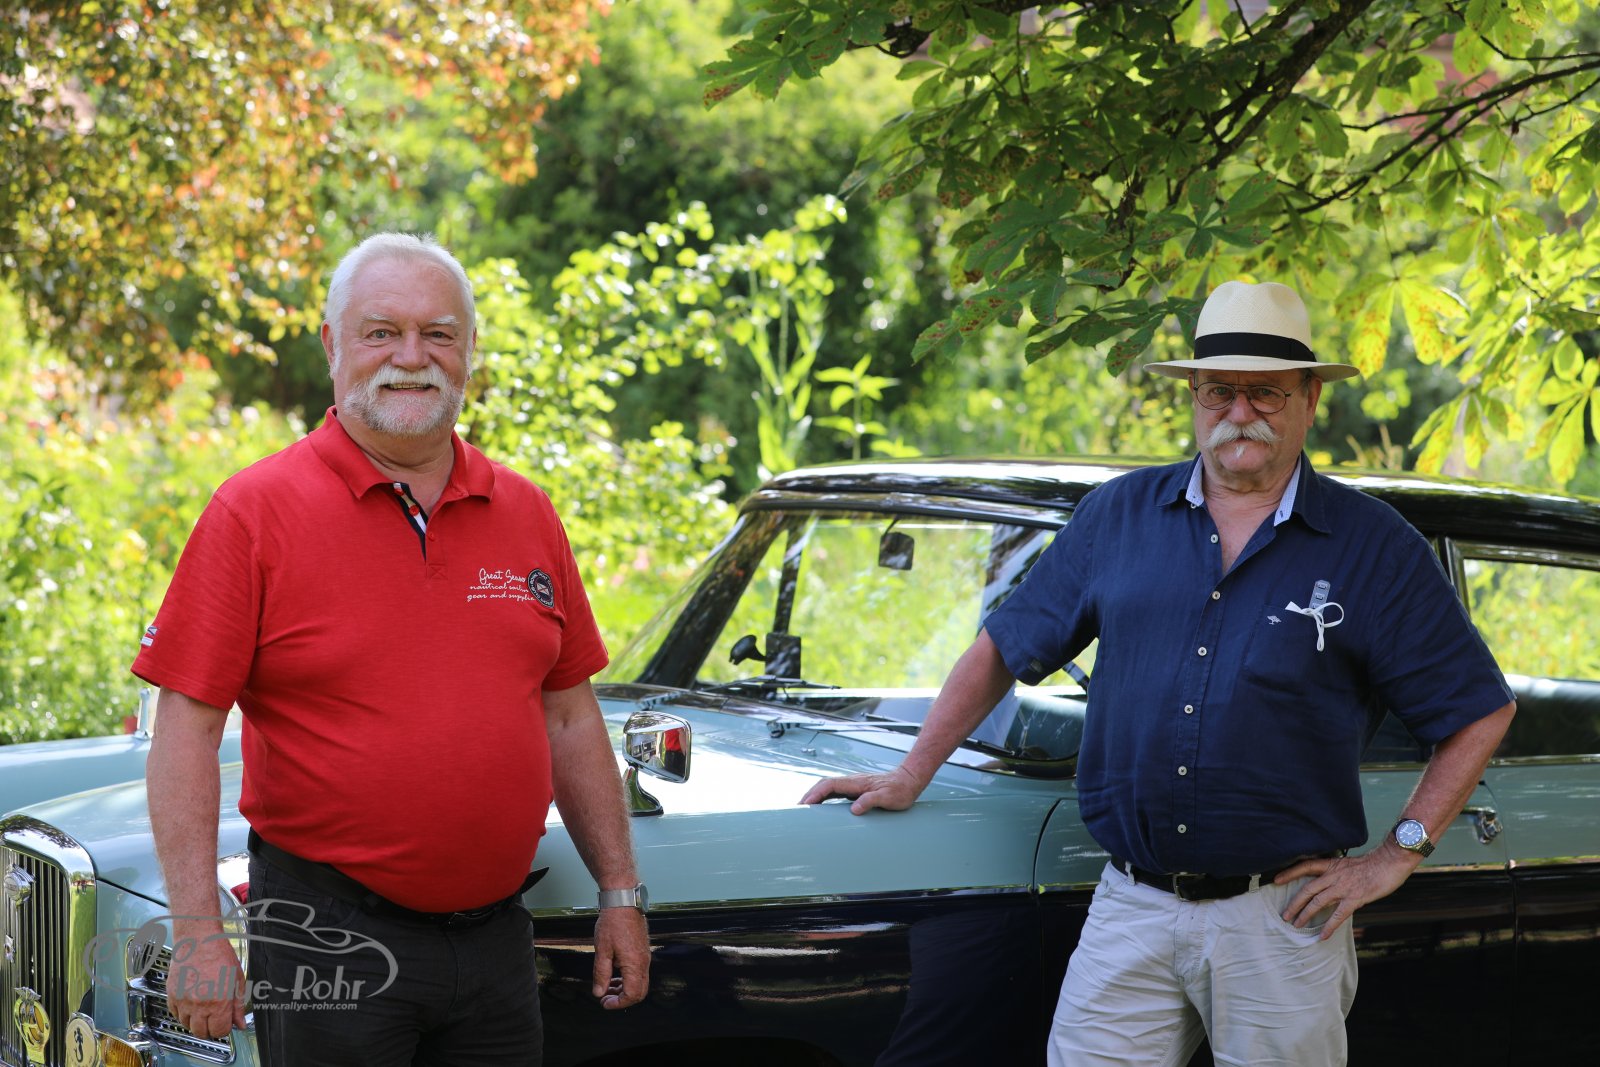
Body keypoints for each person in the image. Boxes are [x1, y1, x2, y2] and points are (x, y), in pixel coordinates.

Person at [802, 280, 1516, 1066]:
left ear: (1311, 398)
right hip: (1131, 903)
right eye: (1219, 390)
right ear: (1193, 395)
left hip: (1282, 918)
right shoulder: (1117, 515)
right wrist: (911, 771)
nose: (1239, 411)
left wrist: (1397, 852)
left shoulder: (1374, 546)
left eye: (1266, 392)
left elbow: (1479, 708)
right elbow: (1001, 647)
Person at [135, 232, 650, 1066]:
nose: (412, 357)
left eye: (438, 334)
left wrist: (620, 892)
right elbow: (186, 729)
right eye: (382, 332)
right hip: (328, 939)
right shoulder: (254, 512)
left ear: (469, 349)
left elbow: (568, 716)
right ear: (332, 344)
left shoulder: (525, 512)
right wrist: (198, 931)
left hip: (496, 946)